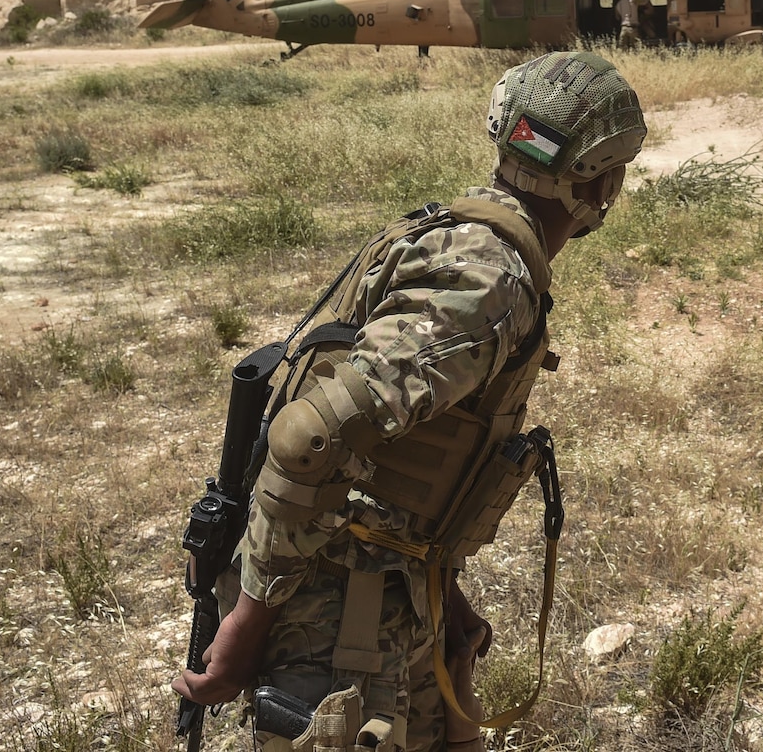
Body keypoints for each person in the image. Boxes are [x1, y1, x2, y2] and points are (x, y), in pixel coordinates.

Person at [173, 51, 648, 751]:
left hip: (391, 592)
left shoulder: (459, 238)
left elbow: (396, 455)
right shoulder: (485, 279)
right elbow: (310, 440)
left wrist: (444, 596)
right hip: (336, 618)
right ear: (605, 177)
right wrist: (247, 623)